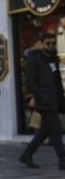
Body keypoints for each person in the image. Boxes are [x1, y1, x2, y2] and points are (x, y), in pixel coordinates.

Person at [19, 33, 65, 170]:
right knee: (56, 130)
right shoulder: (36, 60)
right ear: (42, 44)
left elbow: (57, 82)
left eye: (52, 43)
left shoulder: (54, 59)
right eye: (48, 43)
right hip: (44, 101)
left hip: (54, 99)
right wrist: (40, 95)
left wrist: (61, 99)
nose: (50, 46)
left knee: (45, 131)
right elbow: (30, 81)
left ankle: (27, 154)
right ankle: (62, 159)